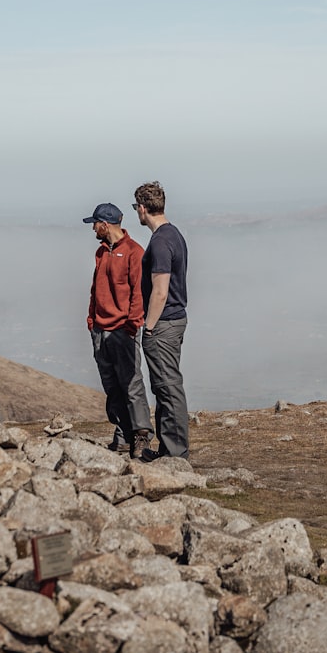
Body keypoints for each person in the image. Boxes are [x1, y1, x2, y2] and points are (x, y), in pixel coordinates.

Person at [83, 202, 153, 460]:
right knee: (112, 386)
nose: (93, 229)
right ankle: (123, 433)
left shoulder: (135, 252)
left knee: (132, 384)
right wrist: (91, 320)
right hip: (100, 330)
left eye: (95, 224)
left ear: (105, 224)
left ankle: (141, 436)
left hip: (123, 330)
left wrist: (132, 324)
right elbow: (95, 289)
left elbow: (139, 292)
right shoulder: (101, 253)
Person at [133, 181, 189, 459]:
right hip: (172, 321)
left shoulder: (161, 241)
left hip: (164, 323)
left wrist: (150, 327)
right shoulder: (173, 235)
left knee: (167, 387)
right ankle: (169, 449)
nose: (137, 213)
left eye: (136, 208)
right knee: (164, 385)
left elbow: (161, 289)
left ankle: (176, 455)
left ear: (143, 209)